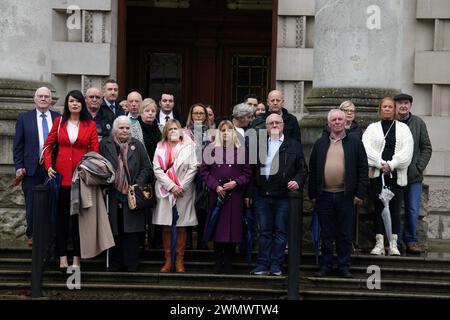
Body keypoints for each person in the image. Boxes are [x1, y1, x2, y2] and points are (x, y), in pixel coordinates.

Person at [44, 90, 99, 270]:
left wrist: (87, 169)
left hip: (79, 180)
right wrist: (49, 166)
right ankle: (61, 257)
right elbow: (47, 146)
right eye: (71, 101)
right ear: (67, 104)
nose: (74, 104)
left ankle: (76, 257)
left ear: (82, 104)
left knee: (77, 221)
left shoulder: (89, 124)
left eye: (77, 101)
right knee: (61, 220)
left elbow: (94, 152)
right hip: (61, 179)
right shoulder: (59, 122)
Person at [309, 109, 368, 278]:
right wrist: (313, 194)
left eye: (340, 119)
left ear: (345, 122)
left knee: (344, 233)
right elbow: (313, 170)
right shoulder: (320, 143)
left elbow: (363, 169)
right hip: (324, 196)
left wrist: (360, 193)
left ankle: (343, 266)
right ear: (329, 123)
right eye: (333, 119)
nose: (337, 122)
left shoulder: (355, 143)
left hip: (346, 196)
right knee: (326, 234)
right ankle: (325, 266)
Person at [250, 113, 307, 276]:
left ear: (283, 125)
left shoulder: (293, 145)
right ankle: (262, 264)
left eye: (277, 122)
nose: (274, 125)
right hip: (262, 195)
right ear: (266, 127)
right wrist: (250, 194)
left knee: (281, 232)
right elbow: (252, 171)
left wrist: (297, 181)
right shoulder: (259, 145)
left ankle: (276, 265)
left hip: (283, 196)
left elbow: (302, 169)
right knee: (264, 232)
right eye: (270, 123)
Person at [99, 116, 153, 272]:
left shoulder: (138, 145)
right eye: (121, 128)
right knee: (114, 229)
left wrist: (137, 183)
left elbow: (147, 168)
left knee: (131, 230)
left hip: (133, 193)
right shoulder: (105, 144)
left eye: (127, 128)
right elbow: (100, 165)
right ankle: (115, 264)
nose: (125, 131)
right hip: (112, 193)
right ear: (115, 129)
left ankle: (131, 264)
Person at [362, 97, 414, 256]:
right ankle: (378, 243)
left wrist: (391, 165)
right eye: (384, 106)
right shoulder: (372, 128)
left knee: (395, 210)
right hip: (378, 176)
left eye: (390, 106)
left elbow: (407, 151)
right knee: (378, 208)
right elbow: (366, 148)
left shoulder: (404, 129)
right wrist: (380, 163)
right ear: (380, 109)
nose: (387, 109)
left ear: (394, 109)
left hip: (395, 176)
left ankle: (393, 244)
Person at [200, 120, 251, 273]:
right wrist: (215, 185)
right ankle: (217, 261)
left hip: (234, 196)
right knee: (217, 228)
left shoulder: (241, 150)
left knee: (231, 229)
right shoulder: (210, 150)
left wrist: (236, 182)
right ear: (218, 133)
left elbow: (247, 173)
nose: (226, 133)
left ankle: (228, 262)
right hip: (217, 195)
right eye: (223, 130)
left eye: (229, 130)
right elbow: (204, 171)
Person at [13, 87, 60, 246]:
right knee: (31, 202)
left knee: (52, 201)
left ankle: (51, 235)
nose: (43, 99)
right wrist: (18, 166)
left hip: (53, 168)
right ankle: (32, 233)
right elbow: (18, 145)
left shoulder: (58, 118)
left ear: (50, 100)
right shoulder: (24, 118)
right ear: (35, 99)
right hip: (31, 167)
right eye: (40, 96)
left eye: (46, 96)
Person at [153, 120, 198, 273]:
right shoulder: (160, 147)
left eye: (176, 128)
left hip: (184, 191)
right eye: (170, 128)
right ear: (166, 131)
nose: (173, 131)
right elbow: (157, 169)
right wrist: (171, 186)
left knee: (181, 226)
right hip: (165, 191)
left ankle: (179, 260)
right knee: (166, 226)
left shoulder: (189, 146)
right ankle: (168, 259)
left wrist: (181, 187)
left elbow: (193, 168)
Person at [394, 93, 432, 253]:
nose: (403, 106)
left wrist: (418, 167)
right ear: (395, 106)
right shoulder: (391, 123)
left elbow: (427, 148)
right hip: (394, 176)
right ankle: (395, 241)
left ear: (410, 105)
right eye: (400, 103)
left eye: (406, 103)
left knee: (412, 210)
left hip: (413, 177)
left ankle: (410, 241)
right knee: (395, 209)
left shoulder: (418, 123)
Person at [138, 98, 162, 249]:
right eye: (147, 111)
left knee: (156, 205)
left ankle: (155, 239)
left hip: (157, 172)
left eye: (153, 111)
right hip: (142, 171)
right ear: (141, 113)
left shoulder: (159, 128)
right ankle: (142, 238)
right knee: (143, 204)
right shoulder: (136, 128)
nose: (150, 114)